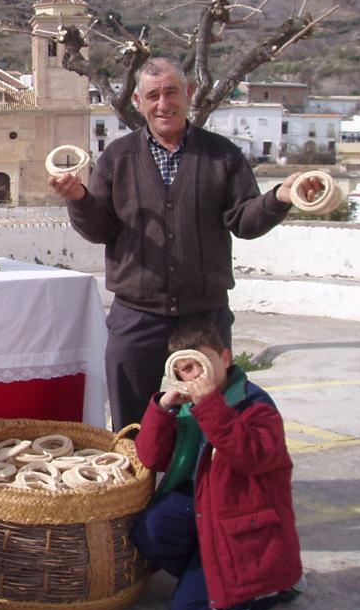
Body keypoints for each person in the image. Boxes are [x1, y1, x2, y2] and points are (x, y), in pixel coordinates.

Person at [50, 57, 306, 430]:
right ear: (138, 102)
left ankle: (199, 489)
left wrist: (279, 197)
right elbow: (100, 229)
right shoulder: (117, 159)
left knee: (210, 421)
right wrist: (79, 198)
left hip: (205, 317)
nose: (163, 104)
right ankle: (138, 490)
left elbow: (245, 222)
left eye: (171, 92)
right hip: (136, 317)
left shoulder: (222, 156)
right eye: (152, 95)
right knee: (132, 425)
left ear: (188, 93)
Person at [131, 319, 303, 610]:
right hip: (202, 506)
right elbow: (150, 457)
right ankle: (210, 570)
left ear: (225, 358)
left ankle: (271, 588)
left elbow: (250, 456)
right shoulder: (186, 406)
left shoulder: (255, 405)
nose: (194, 375)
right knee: (149, 529)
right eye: (184, 369)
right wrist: (165, 408)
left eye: (201, 364)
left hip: (241, 517)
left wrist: (210, 406)